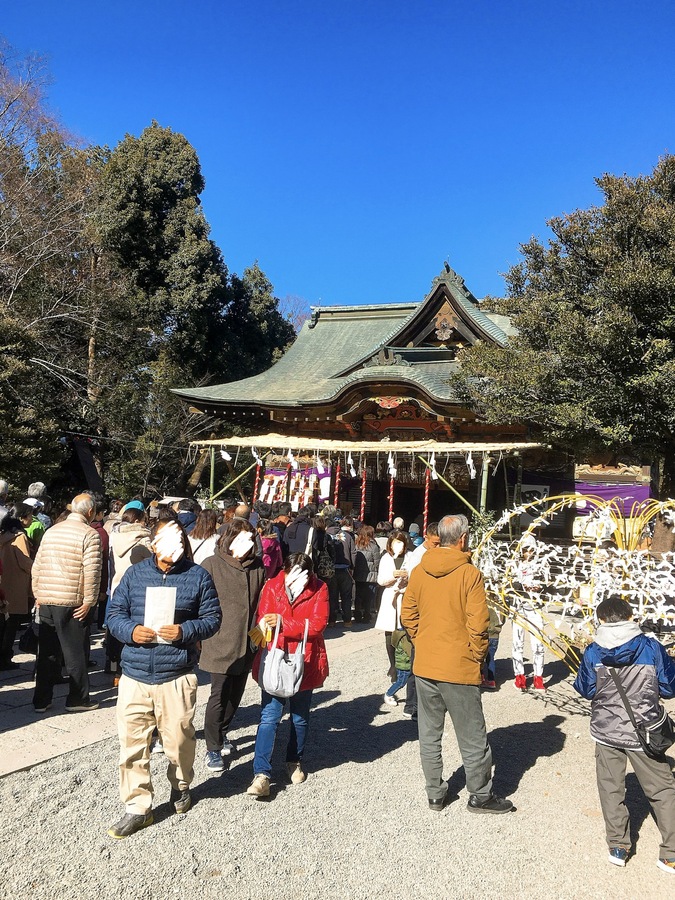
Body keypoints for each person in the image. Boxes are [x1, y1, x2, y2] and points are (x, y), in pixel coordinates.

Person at [106, 518, 220, 839]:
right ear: (154, 544)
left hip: (177, 674)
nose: (173, 548)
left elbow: (212, 618)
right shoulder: (135, 574)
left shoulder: (197, 577)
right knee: (132, 744)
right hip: (136, 674)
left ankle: (181, 784)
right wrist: (131, 631)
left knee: (180, 739)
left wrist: (186, 630)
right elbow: (115, 614)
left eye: (178, 542)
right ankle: (137, 807)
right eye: (165, 541)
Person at [401, 514, 514, 814]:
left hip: (425, 664)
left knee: (429, 733)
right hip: (458, 665)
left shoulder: (420, 570)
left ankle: (435, 794)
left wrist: (421, 641)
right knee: (473, 735)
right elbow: (480, 625)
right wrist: (476, 656)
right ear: (463, 539)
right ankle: (479, 794)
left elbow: (408, 614)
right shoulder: (469, 574)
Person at [573, 595, 675, 873]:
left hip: (606, 730)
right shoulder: (651, 647)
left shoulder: (593, 651)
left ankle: (618, 846)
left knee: (610, 787)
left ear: (601, 620)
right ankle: (671, 853)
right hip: (644, 731)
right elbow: (668, 687)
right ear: (631, 617)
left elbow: (585, 689)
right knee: (663, 788)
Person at [247, 553, 329, 798]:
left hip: (304, 659)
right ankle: (261, 774)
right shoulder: (272, 585)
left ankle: (294, 760)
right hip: (274, 656)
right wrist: (267, 623)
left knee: (300, 716)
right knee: (269, 716)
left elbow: (317, 624)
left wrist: (283, 622)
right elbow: (263, 615)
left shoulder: (319, 588)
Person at [200, 520, 265, 772]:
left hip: (248, 640)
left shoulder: (258, 567)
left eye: (250, 539)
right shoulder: (211, 565)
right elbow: (200, 603)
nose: (247, 545)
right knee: (219, 692)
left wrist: (259, 637)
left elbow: (262, 603)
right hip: (219, 640)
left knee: (236, 692)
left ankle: (223, 731)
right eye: (240, 539)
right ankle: (212, 748)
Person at [32, 493, 102, 713]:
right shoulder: (89, 534)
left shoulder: (52, 530)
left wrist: (37, 592)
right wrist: (89, 601)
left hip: (47, 597)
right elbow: (92, 572)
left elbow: (37, 564)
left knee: (47, 652)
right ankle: (77, 698)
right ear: (90, 512)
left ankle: (41, 700)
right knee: (74, 653)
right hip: (72, 600)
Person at [107, 506, 153, 679]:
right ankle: (127, 669)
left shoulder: (115, 537)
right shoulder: (143, 539)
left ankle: (112, 667)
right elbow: (152, 564)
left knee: (116, 627)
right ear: (137, 521)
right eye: (144, 520)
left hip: (117, 584)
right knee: (133, 628)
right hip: (138, 588)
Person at [400, 522, 440, 719]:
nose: (437, 546)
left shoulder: (432, 554)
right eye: (435, 543)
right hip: (419, 613)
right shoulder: (418, 557)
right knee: (417, 663)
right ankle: (412, 704)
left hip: (429, 613)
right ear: (427, 538)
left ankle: (426, 703)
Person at [511, 536, 546, 692]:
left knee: (538, 643)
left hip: (535, 607)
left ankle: (538, 677)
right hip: (518, 608)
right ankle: (519, 676)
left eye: (532, 550)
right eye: (526, 550)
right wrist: (520, 586)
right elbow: (509, 583)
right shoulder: (515, 564)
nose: (529, 553)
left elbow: (548, 584)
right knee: (517, 642)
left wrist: (540, 588)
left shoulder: (542, 565)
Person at [0, 506, 34, 669]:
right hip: (16, 584)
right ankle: (5, 657)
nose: (32, 519)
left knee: (4, 624)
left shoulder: (3, 535)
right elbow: (25, 562)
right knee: (11, 624)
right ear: (21, 518)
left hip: (3, 583)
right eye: (30, 516)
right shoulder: (19, 537)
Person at [375, 530, 410, 678]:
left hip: (406, 595)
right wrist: (393, 576)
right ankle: (393, 665)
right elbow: (381, 580)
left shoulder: (410, 557)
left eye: (401, 543)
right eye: (395, 543)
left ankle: (406, 662)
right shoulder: (386, 559)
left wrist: (407, 576)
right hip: (390, 596)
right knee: (389, 631)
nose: (398, 546)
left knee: (406, 629)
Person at [327, 516, 357, 626]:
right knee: (346, 596)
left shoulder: (326, 536)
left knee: (332, 596)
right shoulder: (347, 536)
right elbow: (353, 552)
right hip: (345, 569)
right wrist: (352, 567)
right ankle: (347, 620)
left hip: (331, 569)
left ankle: (332, 620)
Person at [354, 525, 380, 623]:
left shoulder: (356, 545)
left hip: (359, 574)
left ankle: (357, 614)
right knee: (369, 597)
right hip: (371, 575)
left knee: (358, 595)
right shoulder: (374, 546)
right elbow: (377, 562)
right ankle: (366, 615)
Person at [384, 628, 412, 707]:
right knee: (401, 682)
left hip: (402, 663)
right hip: (405, 664)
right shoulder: (405, 637)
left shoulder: (398, 634)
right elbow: (409, 651)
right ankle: (389, 694)